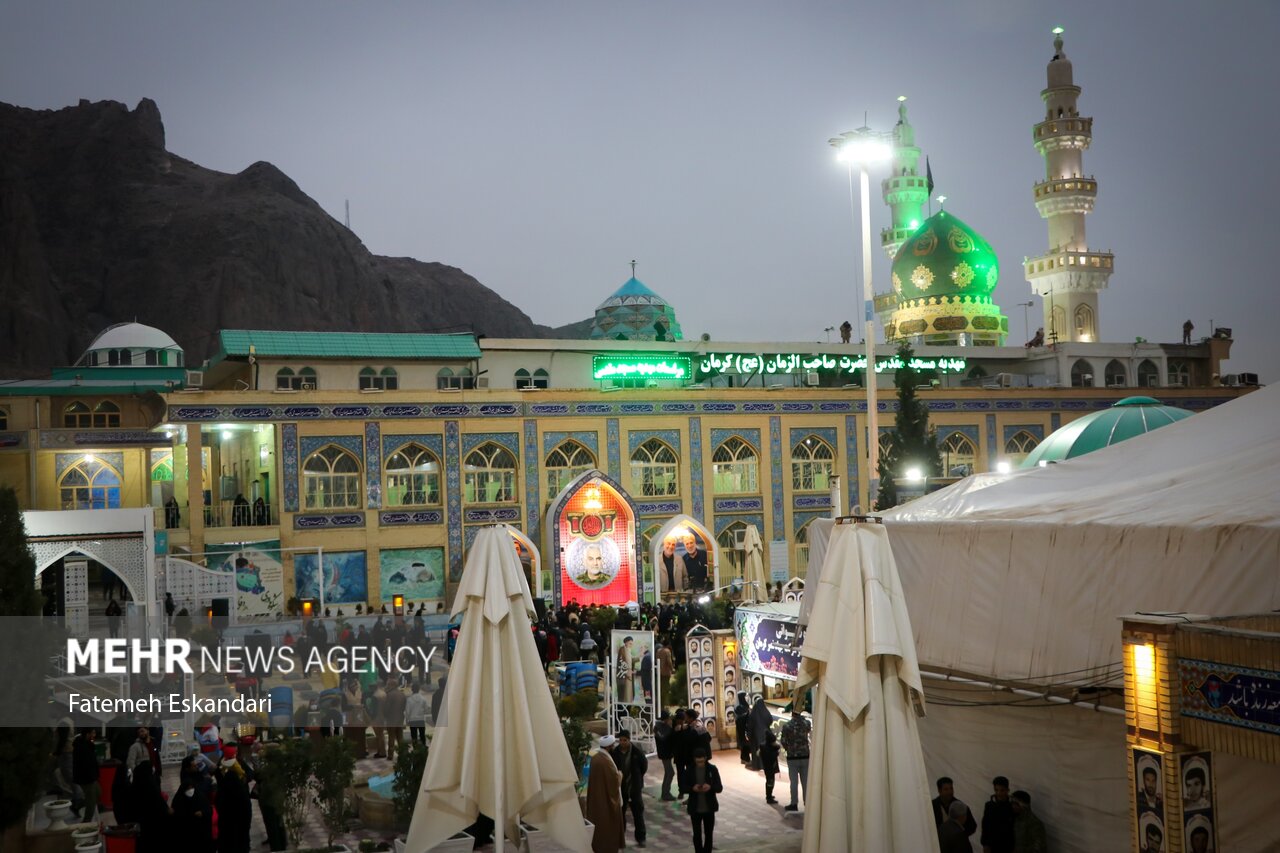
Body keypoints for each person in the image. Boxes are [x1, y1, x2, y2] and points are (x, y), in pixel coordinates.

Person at [585, 736, 624, 853]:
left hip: (597, 797)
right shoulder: (606, 761)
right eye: (612, 745)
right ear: (608, 747)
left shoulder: (596, 757)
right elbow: (614, 781)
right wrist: (620, 775)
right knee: (607, 826)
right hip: (605, 800)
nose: (614, 747)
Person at [610, 730, 648, 848]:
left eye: (624, 740)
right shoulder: (615, 752)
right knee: (620, 814)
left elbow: (644, 766)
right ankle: (621, 839)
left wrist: (636, 778)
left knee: (638, 813)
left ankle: (641, 838)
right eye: (620, 740)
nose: (622, 742)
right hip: (621, 788)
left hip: (634, 788)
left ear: (629, 740)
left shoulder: (637, 752)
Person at [683, 747, 722, 853]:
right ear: (694, 760)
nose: (700, 763)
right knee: (697, 834)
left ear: (705, 758)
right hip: (695, 808)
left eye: (702, 761)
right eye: (698, 761)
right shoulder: (690, 770)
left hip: (709, 808)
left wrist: (710, 787)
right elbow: (683, 787)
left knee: (709, 834)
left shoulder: (712, 769)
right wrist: (692, 788)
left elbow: (719, 787)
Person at [131, 761, 172, 853]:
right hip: (155, 825)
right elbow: (160, 804)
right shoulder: (151, 787)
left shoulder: (135, 786)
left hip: (142, 826)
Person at [217, 754, 252, 853]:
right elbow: (247, 814)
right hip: (241, 833)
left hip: (227, 834)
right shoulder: (242, 795)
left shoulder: (222, 794)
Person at [172, 773, 214, 853]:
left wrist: (202, 813)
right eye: (188, 789)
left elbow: (209, 810)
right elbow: (176, 817)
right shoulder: (178, 800)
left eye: (192, 788)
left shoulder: (200, 797)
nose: (190, 791)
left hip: (201, 835)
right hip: (187, 835)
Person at [780, 705, 810, 811]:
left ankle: (794, 803)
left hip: (792, 757)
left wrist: (789, 749)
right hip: (805, 756)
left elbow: (783, 741)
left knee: (793, 782)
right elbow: (808, 729)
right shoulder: (807, 724)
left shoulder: (787, 726)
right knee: (806, 781)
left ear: (792, 713)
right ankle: (808, 803)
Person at [71, 728, 100, 822]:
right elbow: (85, 763)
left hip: (91, 775)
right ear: (87, 734)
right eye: (93, 733)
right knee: (91, 801)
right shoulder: (81, 746)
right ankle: (86, 823)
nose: (94, 735)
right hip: (86, 777)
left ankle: (77, 805)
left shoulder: (87, 744)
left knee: (98, 793)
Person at [981, 775, 1016, 853]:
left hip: (1007, 846)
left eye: (1002, 790)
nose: (999, 793)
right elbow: (985, 825)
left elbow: (1015, 828)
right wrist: (985, 844)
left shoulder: (1012, 807)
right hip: (992, 846)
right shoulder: (989, 805)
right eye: (996, 790)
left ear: (1008, 790)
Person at [381, 677, 406, 759]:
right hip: (400, 718)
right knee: (400, 737)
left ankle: (390, 755)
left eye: (388, 684)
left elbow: (386, 709)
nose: (387, 686)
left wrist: (385, 715)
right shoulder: (402, 694)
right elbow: (404, 707)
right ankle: (402, 753)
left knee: (391, 737)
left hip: (391, 719)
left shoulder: (389, 695)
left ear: (392, 685)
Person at [654, 710, 676, 801]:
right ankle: (665, 793)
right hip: (666, 753)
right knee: (670, 772)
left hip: (663, 753)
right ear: (667, 719)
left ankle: (665, 792)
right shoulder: (665, 728)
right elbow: (665, 738)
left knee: (668, 772)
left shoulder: (657, 727)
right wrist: (671, 727)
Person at [749, 695, 772, 770]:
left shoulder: (753, 713)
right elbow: (770, 720)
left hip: (755, 735)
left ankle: (757, 765)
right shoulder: (766, 712)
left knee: (756, 749)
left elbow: (750, 724)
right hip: (765, 734)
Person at [759, 730, 780, 804]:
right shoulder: (768, 748)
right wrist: (776, 752)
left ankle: (769, 794)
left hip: (767, 767)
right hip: (769, 768)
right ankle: (769, 797)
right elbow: (771, 757)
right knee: (770, 782)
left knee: (769, 781)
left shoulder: (763, 746)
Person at [616, 636, 635, 703]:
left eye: (631, 644)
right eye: (630, 643)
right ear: (626, 642)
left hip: (629, 674)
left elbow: (631, 660)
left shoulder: (628, 650)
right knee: (625, 693)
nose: (631, 645)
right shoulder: (622, 650)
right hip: (624, 674)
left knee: (629, 693)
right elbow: (621, 662)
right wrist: (626, 671)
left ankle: (628, 706)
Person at [734, 693, 752, 764]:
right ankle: (745, 759)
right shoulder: (740, 707)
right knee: (744, 743)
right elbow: (743, 716)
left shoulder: (739, 705)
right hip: (743, 728)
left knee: (743, 743)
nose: (746, 697)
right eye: (745, 696)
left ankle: (744, 758)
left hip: (741, 727)